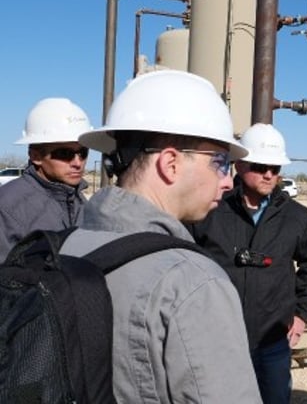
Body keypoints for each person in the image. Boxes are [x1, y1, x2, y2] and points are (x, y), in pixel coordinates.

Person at [57, 70, 262, 403]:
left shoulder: (64, 246)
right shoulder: (192, 283)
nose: (228, 182)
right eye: (221, 163)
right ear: (171, 163)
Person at [188, 123, 307, 404]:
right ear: (239, 165)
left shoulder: (297, 217)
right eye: (261, 165)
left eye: (275, 168)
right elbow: (185, 262)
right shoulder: (210, 208)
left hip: (273, 340)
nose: (268, 174)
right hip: (219, 339)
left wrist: (301, 315)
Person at [0, 97, 93, 260]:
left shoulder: (79, 200)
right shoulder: (8, 206)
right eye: (65, 154)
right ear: (36, 156)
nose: (78, 163)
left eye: (83, 153)